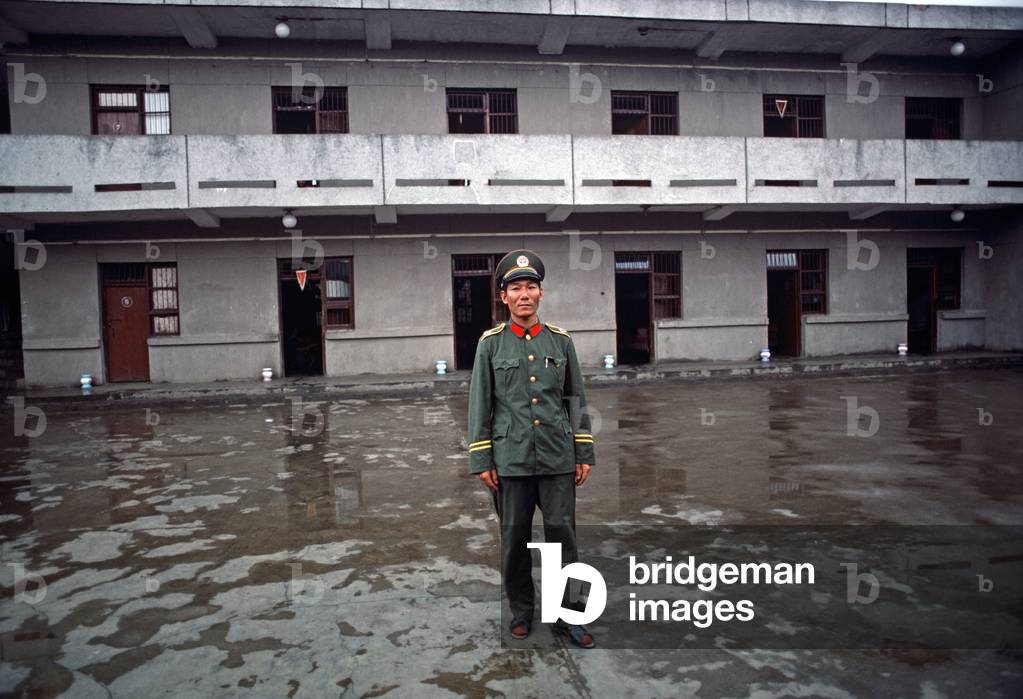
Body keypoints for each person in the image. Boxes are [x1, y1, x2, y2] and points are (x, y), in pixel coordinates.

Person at [467, 249, 597, 648]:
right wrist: (482, 458)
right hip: (511, 461)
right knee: (515, 540)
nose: (524, 294)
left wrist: (583, 450)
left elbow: (575, 398)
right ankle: (523, 611)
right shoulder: (490, 345)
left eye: (531, 286)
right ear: (503, 297)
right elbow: (480, 403)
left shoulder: (561, 342)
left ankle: (570, 616)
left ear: (541, 293)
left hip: (557, 457)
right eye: (515, 288)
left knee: (564, 539)